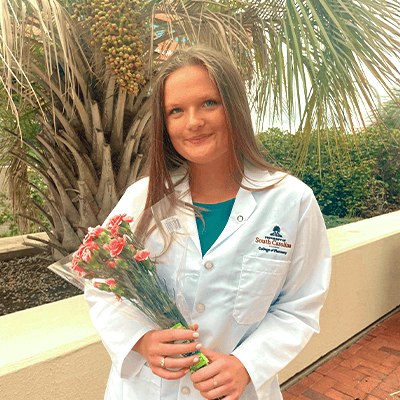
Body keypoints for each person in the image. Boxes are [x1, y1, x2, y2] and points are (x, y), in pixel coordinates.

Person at [85, 44, 331, 400]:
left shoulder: (291, 202)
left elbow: (300, 305)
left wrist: (247, 364)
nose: (193, 122)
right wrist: (140, 341)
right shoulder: (144, 199)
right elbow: (99, 283)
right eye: (176, 111)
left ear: (235, 107)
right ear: (164, 123)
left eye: (209, 103)